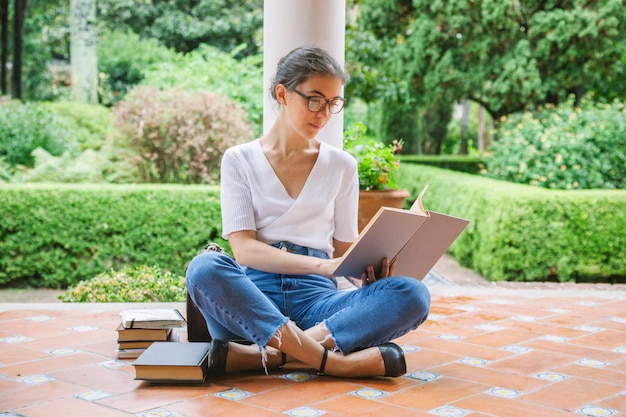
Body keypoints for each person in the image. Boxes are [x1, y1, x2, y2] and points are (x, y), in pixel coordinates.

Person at [186, 46, 430, 378]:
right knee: (204, 267)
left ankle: (268, 356)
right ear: (282, 93)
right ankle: (332, 360)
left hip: (318, 305)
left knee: (412, 294)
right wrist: (322, 264)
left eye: (333, 103)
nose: (323, 113)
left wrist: (372, 272)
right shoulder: (239, 159)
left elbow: (344, 251)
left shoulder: (341, 165)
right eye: (314, 100)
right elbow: (243, 248)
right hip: (253, 303)